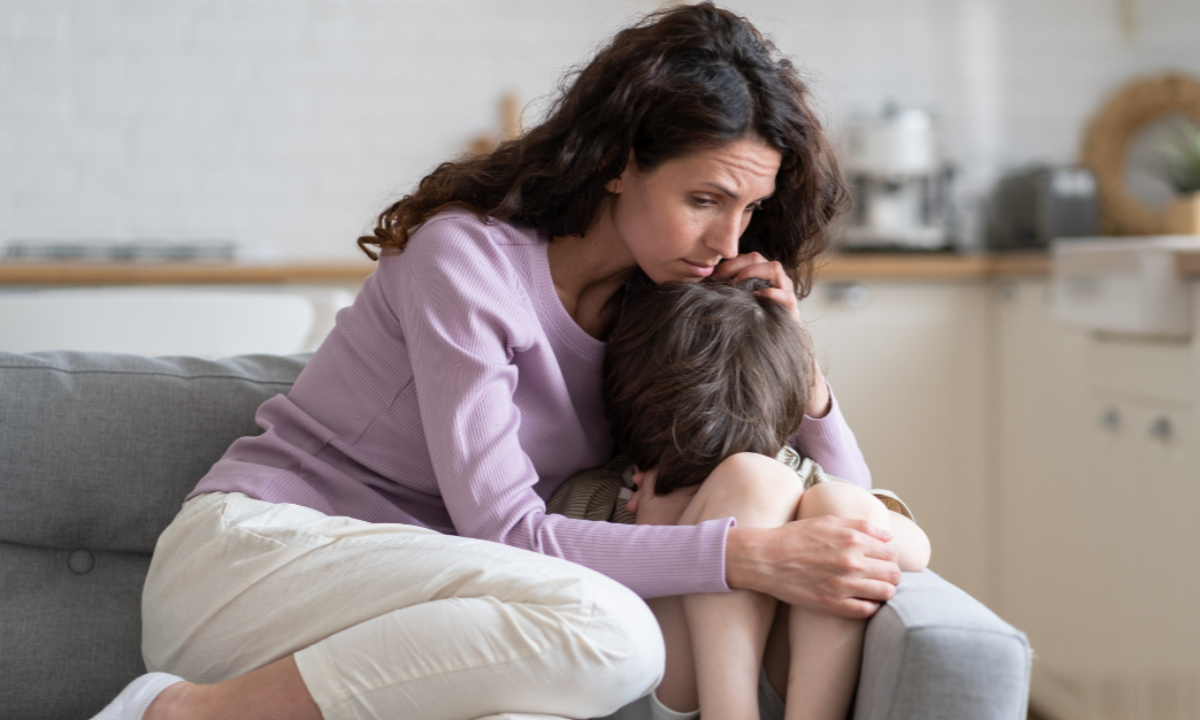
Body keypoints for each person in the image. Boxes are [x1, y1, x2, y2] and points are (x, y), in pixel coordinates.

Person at [91, 4, 902, 720]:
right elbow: (509, 531)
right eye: (704, 199)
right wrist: (742, 557)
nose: (730, 241)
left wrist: (799, 368)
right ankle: (175, 713)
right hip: (263, 562)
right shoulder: (466, 263)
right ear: (620, 163)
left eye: (749, 208)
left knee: (551, 701)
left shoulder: (661, 306)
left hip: (449, 602)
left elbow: (846, 504)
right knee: (609, 633)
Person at [547, 278, 930, 720]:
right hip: (670, 690)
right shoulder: (607, 491)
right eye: (690, 480)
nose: (709, 485)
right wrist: (657, 534)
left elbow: (916, 550)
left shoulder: (792, 473)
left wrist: (847, 516)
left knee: (838, 503)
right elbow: (543, 578)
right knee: (757, 481)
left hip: (782, 688)